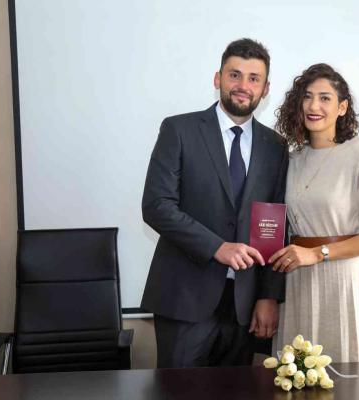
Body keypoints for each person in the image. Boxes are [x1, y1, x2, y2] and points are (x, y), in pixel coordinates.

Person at [141, 38, 287, 368]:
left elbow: (275, 227)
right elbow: (157, 205)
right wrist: (217, 247)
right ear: (218, 78)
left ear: (265, 89)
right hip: (184, 299)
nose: (243, 85)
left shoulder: (276, 146)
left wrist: (268, 296)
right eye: (234, 75)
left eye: (254, 78)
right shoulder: (179, 129)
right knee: (178, 391)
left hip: (243, 308)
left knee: (237, 390)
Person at [269, 63, 359, 362]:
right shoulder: (292, 159)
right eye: (307, 96)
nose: (314, 106)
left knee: (345, 373)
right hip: (297, 281)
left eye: (325, 98)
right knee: (296, 373)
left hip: (342, 280)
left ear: (342, 107)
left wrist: (317, 254)